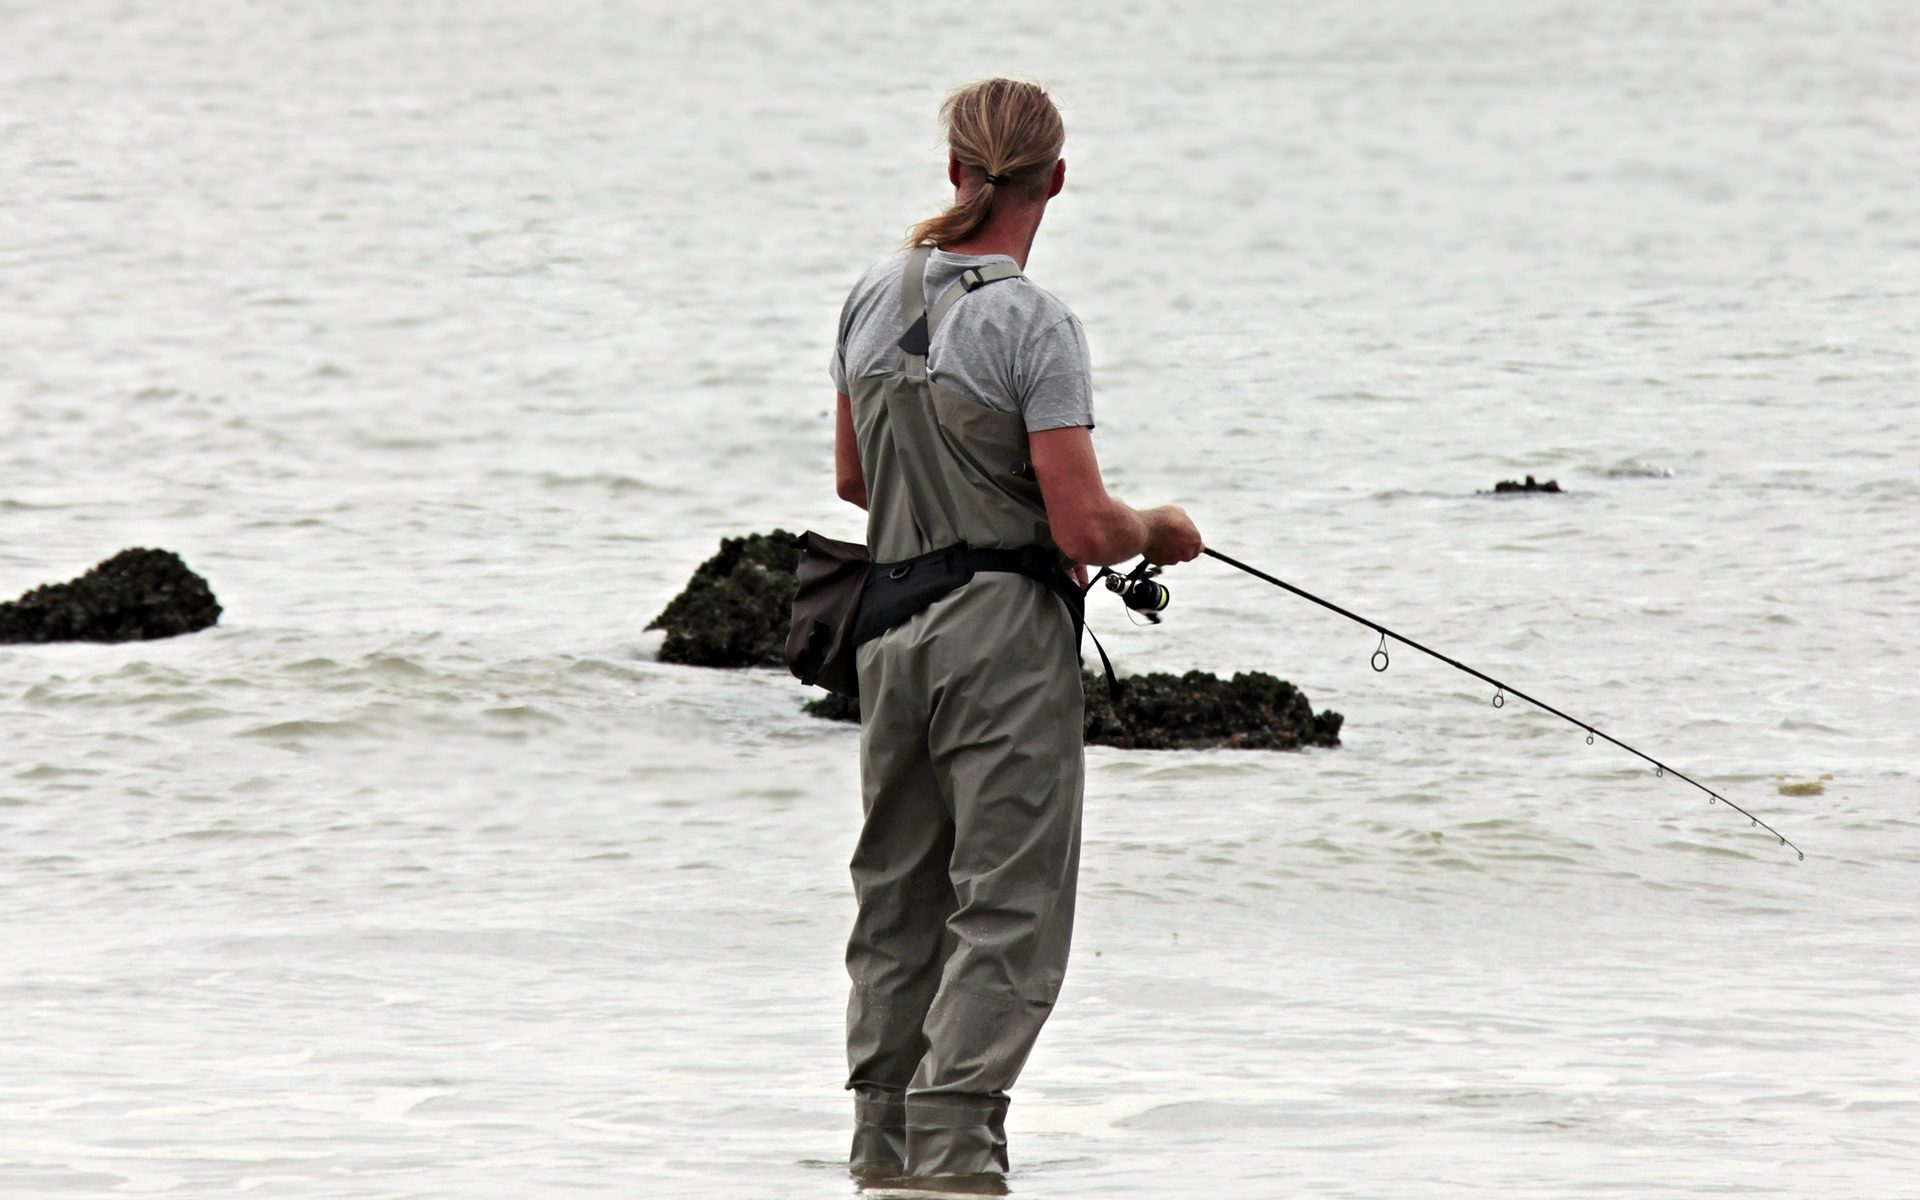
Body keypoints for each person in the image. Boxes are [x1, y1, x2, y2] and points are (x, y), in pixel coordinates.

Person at [828, 77, 1203, 1192]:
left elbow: (855, 481)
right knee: (1008, 906)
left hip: (887, 631)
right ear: (1057, 179)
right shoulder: (1032, 320)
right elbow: (1086, 523)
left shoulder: (866, 295)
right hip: (999, 638)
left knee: (898, 899)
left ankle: (880, 1154)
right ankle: (955, 1151)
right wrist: (1163, 531)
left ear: (956, 171)